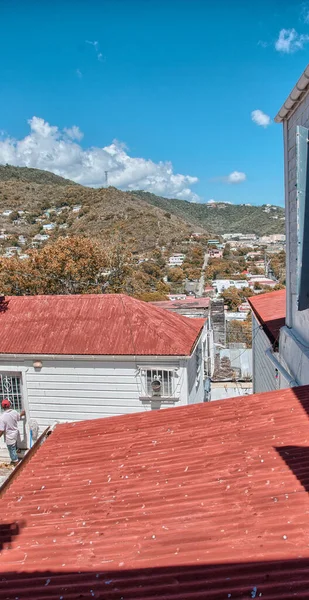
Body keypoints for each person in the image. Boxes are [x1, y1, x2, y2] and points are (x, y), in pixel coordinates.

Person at [0, 399, 25, 465]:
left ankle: (16, 462)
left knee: (11, 449)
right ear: (9, 405)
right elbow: (18, 417)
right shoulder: (14, 412)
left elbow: (1, 430)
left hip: (9, 435)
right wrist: (22, 414)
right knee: (14, 445)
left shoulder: (2, 417)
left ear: (2, 407)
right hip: (15, 433)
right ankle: (17, 451)